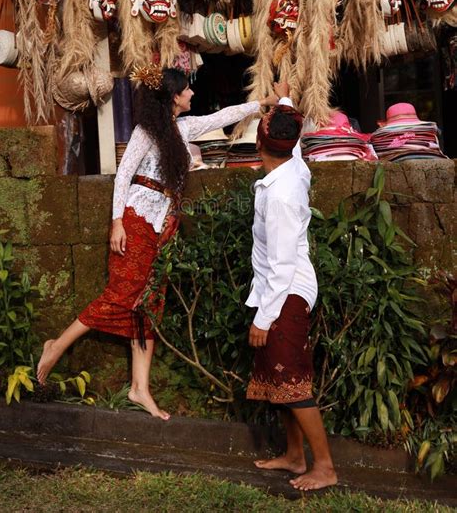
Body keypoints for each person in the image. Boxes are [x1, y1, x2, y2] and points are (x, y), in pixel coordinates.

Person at [37, 66, 283, 420]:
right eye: (187, 90)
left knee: (149, 302)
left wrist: (263, 103)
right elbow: (124, 174)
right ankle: (55, 347)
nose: (193, 94)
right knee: (121, 294)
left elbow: (222, 115)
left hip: (163, 224)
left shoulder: (182, 129)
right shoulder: (145, 132)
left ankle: (140, 388)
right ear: (173, 96)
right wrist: (117, 221)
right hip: (137, 218)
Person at [245, 86, 337, 490]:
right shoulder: (293, 168)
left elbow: (281, 267)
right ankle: (296, 457)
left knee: (294, 385)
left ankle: (326, 469)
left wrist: (264, 318)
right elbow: (293, 143)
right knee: (280, 384)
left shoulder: (281, 194)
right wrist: (284, 102)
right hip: (281, 291)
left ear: (260, 144)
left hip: (286, 294)